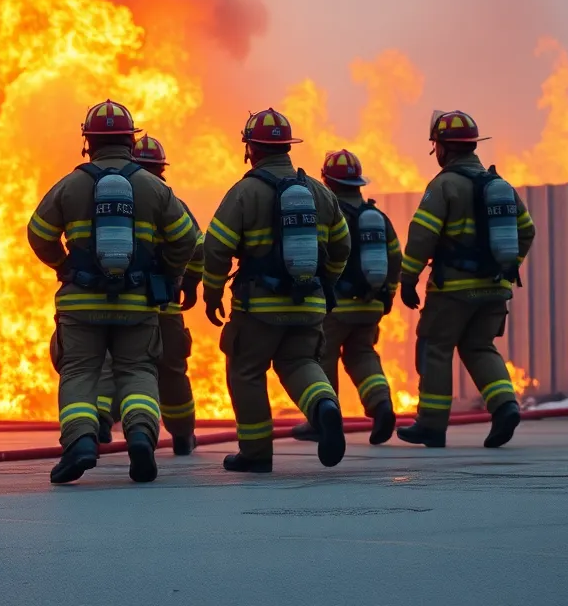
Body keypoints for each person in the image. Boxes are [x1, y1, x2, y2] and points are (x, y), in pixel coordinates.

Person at [28, 100, 197, 485]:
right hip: (138, 301)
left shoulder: (71, 184)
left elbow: (37, 233)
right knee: (138, 370)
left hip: (81, 302)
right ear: (130, 140)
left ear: (88, 141)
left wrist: (64, 265)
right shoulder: (152, 186)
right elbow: (186, 237)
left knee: (81, 371)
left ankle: (81, 444)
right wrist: (168, 274)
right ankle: (140, 436)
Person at [203, 108, 351, 473]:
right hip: (309, 304)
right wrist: (326, 284)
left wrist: (212, 292)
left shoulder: (244, 192)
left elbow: (217, 247)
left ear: (251, 148)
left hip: (259, 309)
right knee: (301, 363)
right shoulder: (319, 192)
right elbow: (343, 246)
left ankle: (256, 454)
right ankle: (325, 408)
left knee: (247, 370)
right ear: (287, 146)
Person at [395, 110, 535, 449]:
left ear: (443, 148)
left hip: (453, 290)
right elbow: (527, 230)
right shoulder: (499, 186)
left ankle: (431, 424)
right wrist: (508, 265)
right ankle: (505, 406)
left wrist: (408, 278)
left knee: (436, 348)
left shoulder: (444, 185)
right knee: (479, 346)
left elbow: (422, 236)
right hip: (494, 289)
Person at [95, 134, 203, 454]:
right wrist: (189, 282)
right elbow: (196, 247)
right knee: (170, 370)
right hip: (163, 304)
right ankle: (182, 435)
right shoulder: (171, 201)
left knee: (112, 364)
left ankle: (102, 419)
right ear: (161, 169)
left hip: (117, 300)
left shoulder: (102, 199)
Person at [291, 149, 400, 446]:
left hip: (335, 305)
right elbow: (395, 259)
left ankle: (324, 421)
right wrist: (387, 294)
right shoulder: (377, 217)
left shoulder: (325, 212)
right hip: (371, 303)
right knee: (362, 354)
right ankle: (382, 406)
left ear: (328, 181)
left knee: (321, 356)